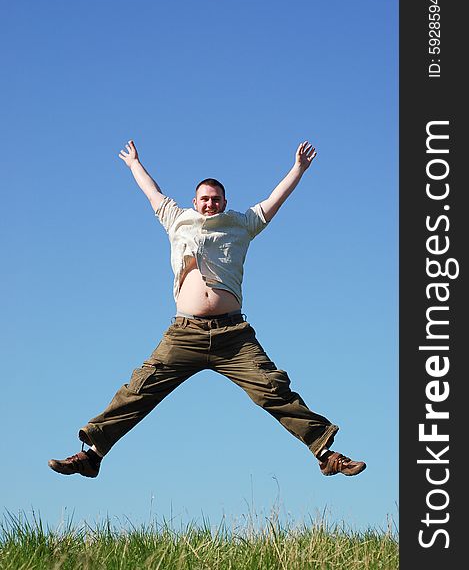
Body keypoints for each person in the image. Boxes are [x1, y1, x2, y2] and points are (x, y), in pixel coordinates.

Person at [48, 139, 366, 479]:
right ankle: (92, 455)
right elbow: (152, 193)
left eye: (216, 199)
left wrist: (298, 169)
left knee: (273, 389)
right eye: (204, 199)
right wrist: (134, 164)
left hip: (234, 337)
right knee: (139, 390)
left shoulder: (242, 224)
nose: (210, 203)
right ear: (195, 202)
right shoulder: (177, 220)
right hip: (185, 334)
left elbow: (275, 201)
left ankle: (327, 454)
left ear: (225, 202)